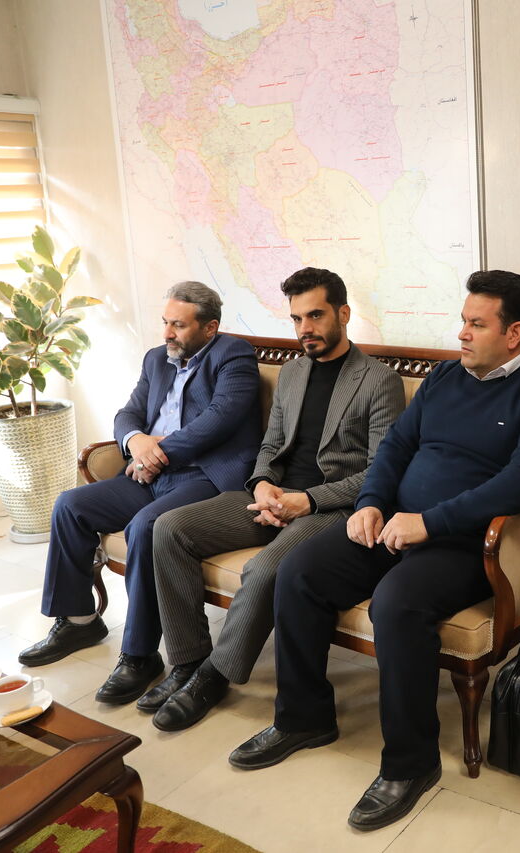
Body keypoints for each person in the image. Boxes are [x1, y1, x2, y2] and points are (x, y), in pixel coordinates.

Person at [228, 270, 520, 831]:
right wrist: (370, 502)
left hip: (467, 545)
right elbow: (394, 447)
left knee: (396, 603)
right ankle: (303, 718)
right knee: (299, 571)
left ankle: (410, 764)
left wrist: (429, 523)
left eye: (476, 324)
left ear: (514, 334)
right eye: (463, 321)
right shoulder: (445, 377)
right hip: (394, 525)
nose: (461, 333)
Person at [141, 267, 405, 731]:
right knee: (169, 529)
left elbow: (379, 472)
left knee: (264, 569)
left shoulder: (378, 379)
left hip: (328, 508)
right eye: (297, 318)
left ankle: (213, 677)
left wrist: (307, 500)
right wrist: (263, 484)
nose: (305, 328)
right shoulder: (293, 373)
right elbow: (271, 445)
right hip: (273, 496)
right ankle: (187, 661)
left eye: (316, 316)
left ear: (343, 314)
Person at [18, 282, 262, 706]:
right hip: (149, 472)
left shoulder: (233, 355)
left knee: (146, 527)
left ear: (209, 328)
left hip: (202, 476)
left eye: (178, 325)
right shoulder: (156, 359)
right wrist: (134, 442)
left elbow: (219, 420)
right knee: (71, 506)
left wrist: (157, 453)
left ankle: (139, 654)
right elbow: (128, 412)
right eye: (165, 322)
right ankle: (79, 621)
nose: (167, 333)